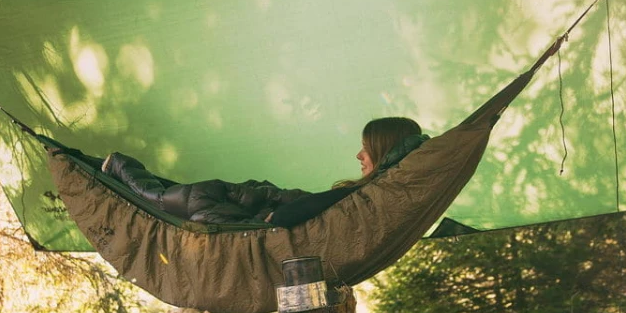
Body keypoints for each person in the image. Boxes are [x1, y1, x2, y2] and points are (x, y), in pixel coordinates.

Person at [92, 115, 428, 228]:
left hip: (257, 210)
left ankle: (118, 167)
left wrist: (276, 217)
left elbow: (301, 211)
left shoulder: (365, 195)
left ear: (384, 150)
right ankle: (118, 170)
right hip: (260, 200)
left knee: (173, 201)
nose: (359, 155)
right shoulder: (372, 193)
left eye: (366, 148)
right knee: (176, 197)